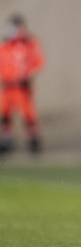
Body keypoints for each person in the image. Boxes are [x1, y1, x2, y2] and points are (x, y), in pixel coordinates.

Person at [0, 14, 45, 154]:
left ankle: (33, 140)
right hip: (8, 86)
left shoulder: (29, 44)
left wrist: (29, 74)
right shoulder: (6, 46)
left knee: (28, 115)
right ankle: (6, 140)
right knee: (5, 114)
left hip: (22, 87)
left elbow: (38, 62)